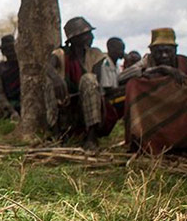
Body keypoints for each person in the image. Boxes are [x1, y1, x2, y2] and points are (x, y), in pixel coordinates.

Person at [45, 16, 119, 152]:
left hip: (88, 104)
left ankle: (91, 137)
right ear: (74, 39)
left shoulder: (95, 54)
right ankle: (57, 134)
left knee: (89, 79)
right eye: (86, 35)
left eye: (90, 34)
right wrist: (56, 78)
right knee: (49, 84)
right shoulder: (61, 53)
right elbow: (48, 67)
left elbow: (96, 80)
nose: (90, 37)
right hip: (65, 104)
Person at [120, 28, 187, 153]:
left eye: (168, 51)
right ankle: (143, 142)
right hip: (153, 114)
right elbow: (122, 77)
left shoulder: (183, 62)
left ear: (175, 50)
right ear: (151, 51)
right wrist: (161, 69)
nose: (164, 56)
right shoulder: (147, 61)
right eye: (159, 52)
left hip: (179, 115)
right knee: (133, 85)